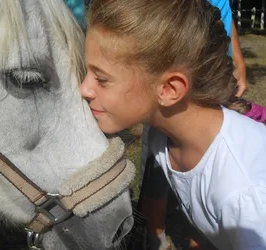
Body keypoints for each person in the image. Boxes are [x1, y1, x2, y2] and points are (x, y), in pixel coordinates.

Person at [80, 1, 266, 250]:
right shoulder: (164, 133)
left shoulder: (244, 195)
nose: (84, 89)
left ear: (169, 89)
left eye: (101, 79)